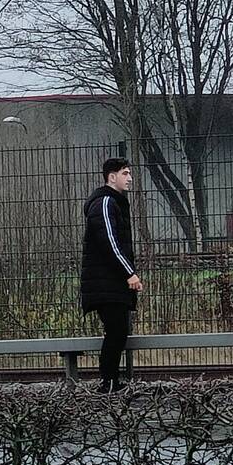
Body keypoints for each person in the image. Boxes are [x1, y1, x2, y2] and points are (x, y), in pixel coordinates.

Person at [81, 157, 142, 393]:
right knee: (116, 330)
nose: (130, 178)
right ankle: (108, 382)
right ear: (111, 176)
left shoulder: (112, 202)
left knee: (117, 330)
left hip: (109, 282)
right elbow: (109, 241)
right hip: (106, 282)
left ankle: (111, 381)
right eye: (125, 173)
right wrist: (130, 273)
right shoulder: (106, 202)